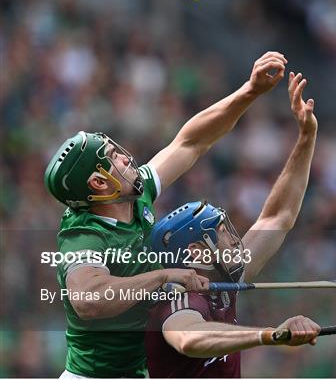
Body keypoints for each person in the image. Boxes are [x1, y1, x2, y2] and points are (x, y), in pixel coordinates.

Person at [43, 52, 288, 378]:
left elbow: (191, 143)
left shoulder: (135, 191)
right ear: (99, 183)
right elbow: (89, 300)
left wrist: (249, 91)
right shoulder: (84, 236)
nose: (127, 159)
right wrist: (163, 276)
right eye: (113, 158)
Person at [145, 72, 320, 377]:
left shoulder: (224, 279)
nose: (235, 239)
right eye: (221, 233)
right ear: (199, 254)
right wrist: (269, 335)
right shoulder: (178, 298)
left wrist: (306, 138)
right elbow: (189, 338)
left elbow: (277, 217)